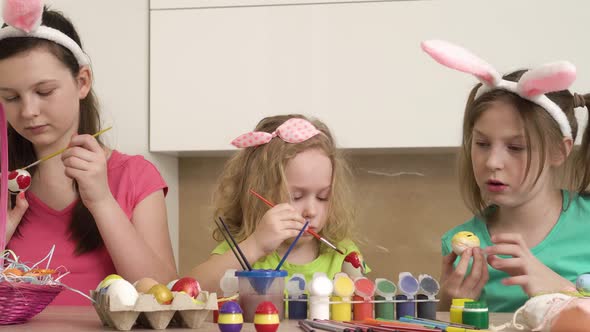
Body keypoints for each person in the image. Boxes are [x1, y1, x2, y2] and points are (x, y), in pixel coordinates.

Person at [0, 4, 177, 305]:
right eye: (11, 97)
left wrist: (102, 202)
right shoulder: (6, 184)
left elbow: (163, 298)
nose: (28, 111)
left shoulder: (135, 177)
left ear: (82, 82)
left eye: (44, 92)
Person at [422, 40, 590, 312]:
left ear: (559, 151)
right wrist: (447, 307)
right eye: (482, 144)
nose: (492, 162)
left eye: (515, 147)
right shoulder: (458, 246)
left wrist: (562, 293)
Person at [190, 114, 368, 292]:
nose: (311, 211)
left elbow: (364, 301)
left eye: (323, 197)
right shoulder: (243, 250)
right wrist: (256, 246)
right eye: (296, 197)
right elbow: (192, 289)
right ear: (258, 195)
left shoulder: (342, 253)